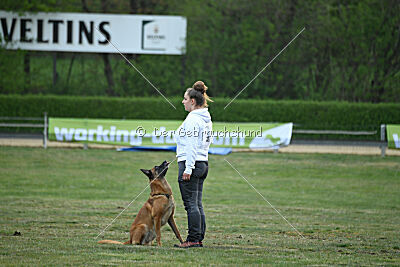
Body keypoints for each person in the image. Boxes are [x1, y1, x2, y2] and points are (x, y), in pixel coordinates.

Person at [174, 81, 213, 248]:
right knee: (196, 203)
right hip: (202, 163)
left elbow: (191, 145)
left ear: (192, 101)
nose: (182, 102)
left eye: (185, 99)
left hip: (192, 164)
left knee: (191, 204)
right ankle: (198, 237)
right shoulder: (205, 119)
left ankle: (193, 239)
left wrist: (188, 168)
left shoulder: (192, 119)